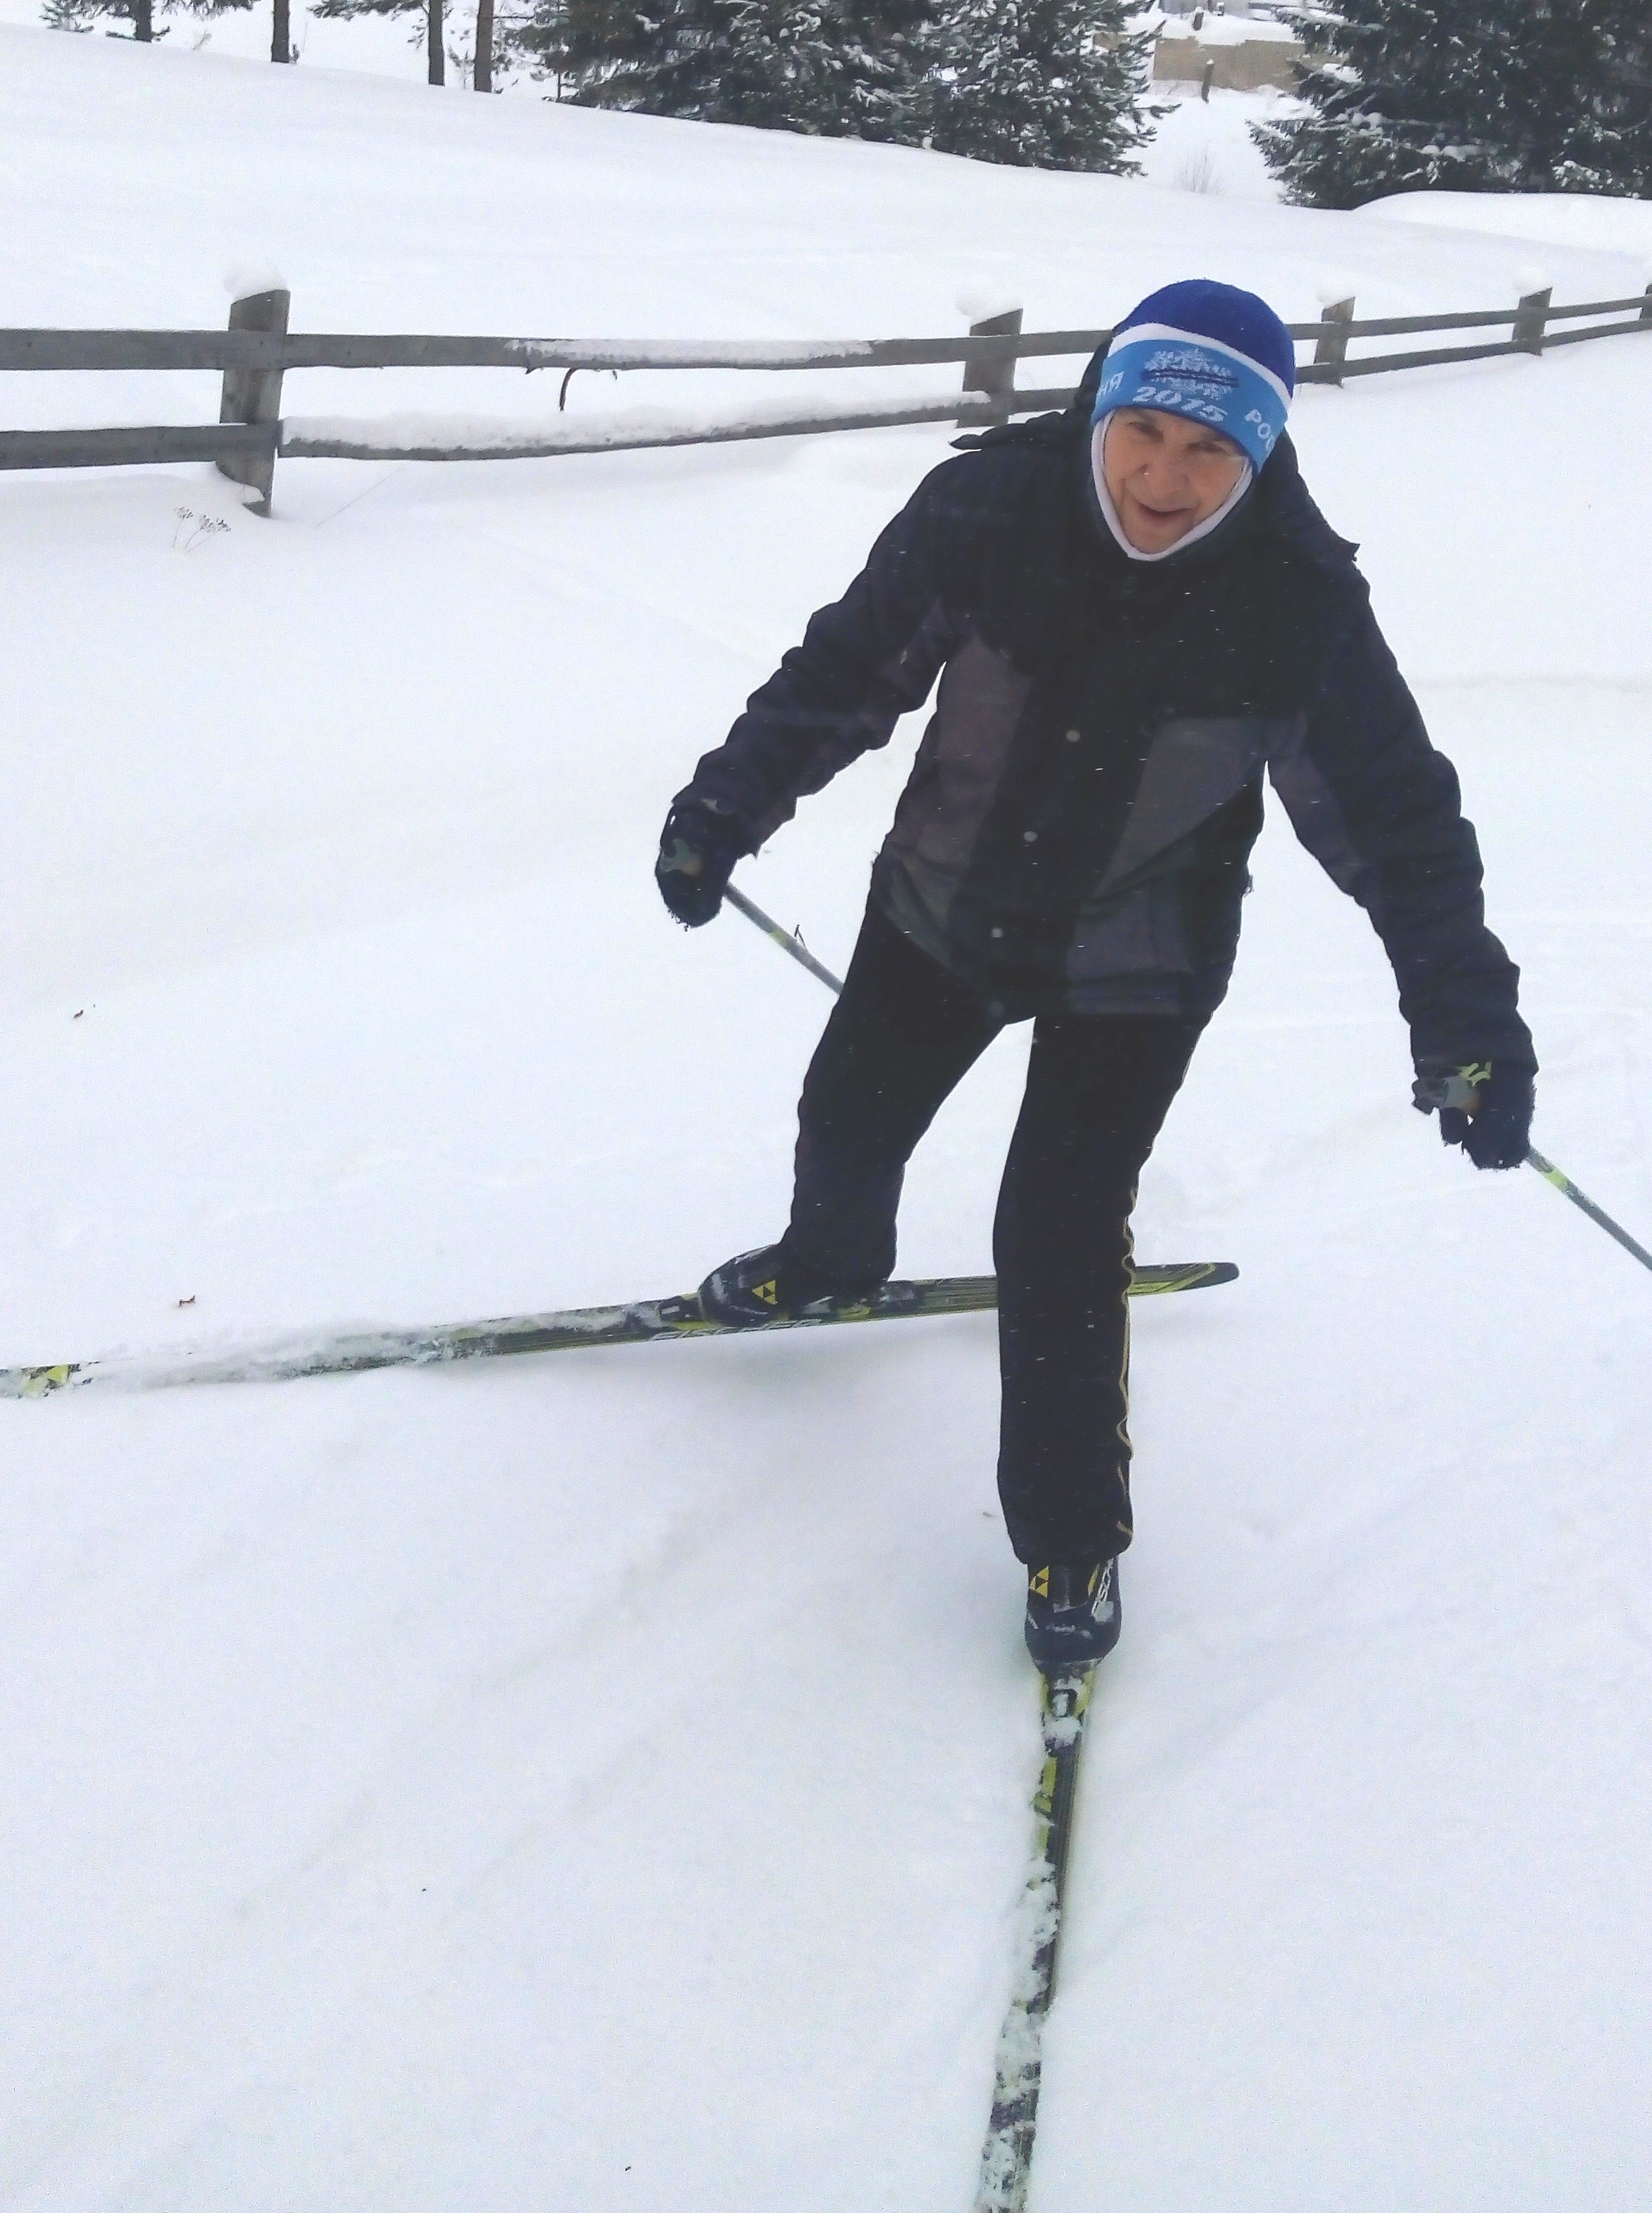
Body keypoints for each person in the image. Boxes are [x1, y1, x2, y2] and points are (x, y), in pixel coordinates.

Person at [655, 280, 1535, 1670]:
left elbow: (1399, 828)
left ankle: (1070, 1535)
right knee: (849, 1118)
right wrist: (726, 806)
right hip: (941, 909)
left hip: (1140, 964)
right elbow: (847, 670)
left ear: (1261, 455)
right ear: (1099, 410)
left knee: (1056, 1235)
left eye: (1211, 452)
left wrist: (1467, 1019)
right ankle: (829, 1264)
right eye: (1144, 433)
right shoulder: (988, 511)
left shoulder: (1295, 603)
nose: (1164, 481)